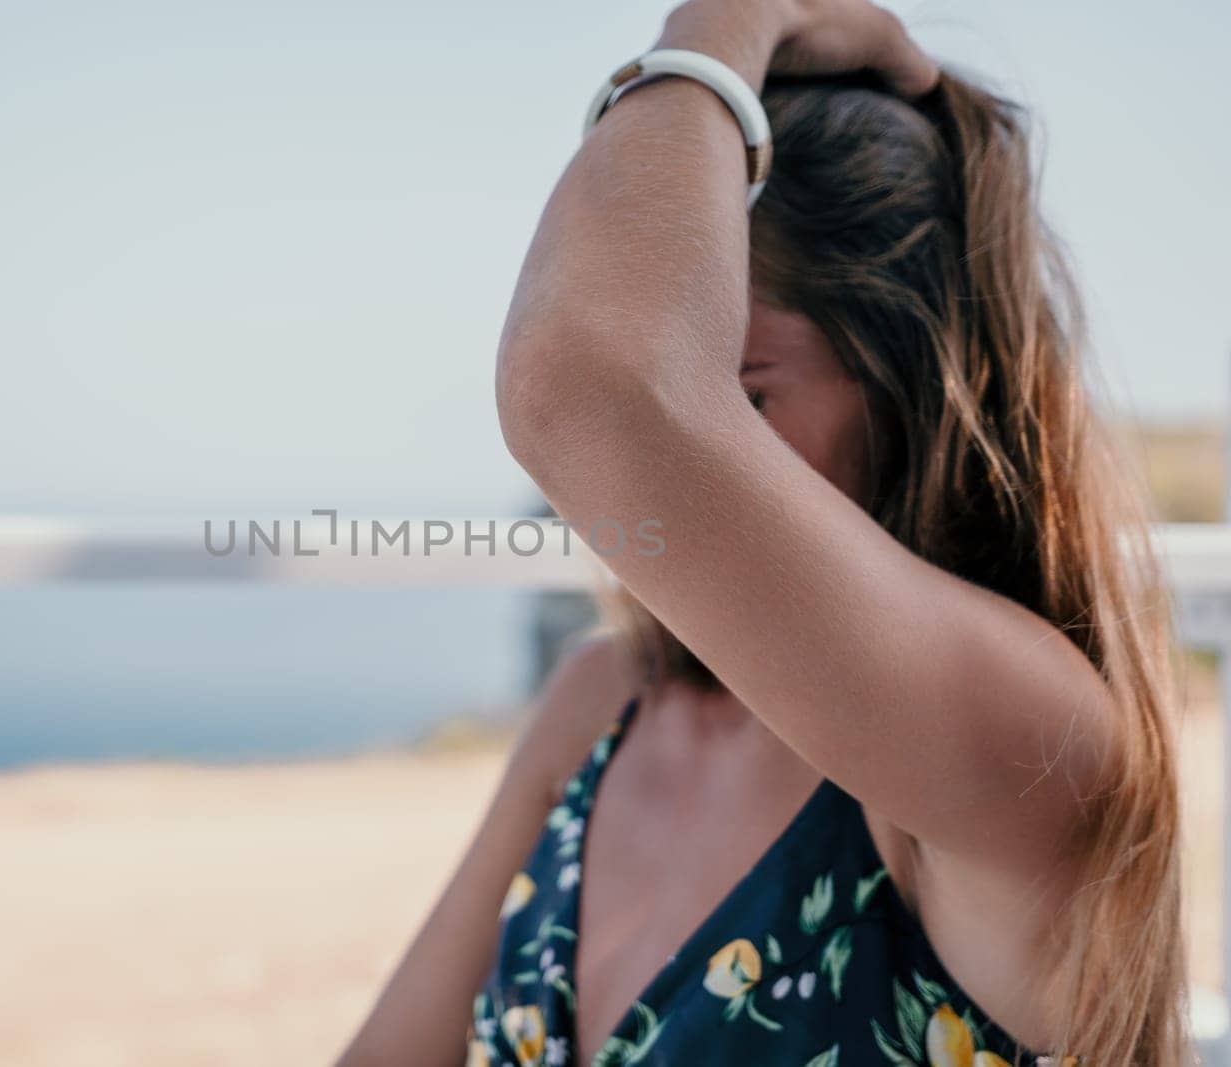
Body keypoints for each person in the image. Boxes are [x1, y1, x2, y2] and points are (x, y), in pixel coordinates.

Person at [341, 1, 1187, 1063]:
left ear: (907, 385)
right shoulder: (602, 705)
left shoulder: (1022, 737)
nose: (679, 463)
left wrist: (725, 22)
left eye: (736, 396)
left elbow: (588, 386)